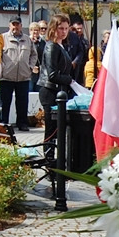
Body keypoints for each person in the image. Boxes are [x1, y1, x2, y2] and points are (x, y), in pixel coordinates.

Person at [36, 13, 75, 164]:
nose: (64, 32)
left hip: (58, 90)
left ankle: (53, 159)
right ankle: (49, 159)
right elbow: (52, 74)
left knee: (57, 129)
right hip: (50, 91)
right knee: (52, 129)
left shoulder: (60, 45)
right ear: (53, 28)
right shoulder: (51, 46)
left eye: (66, 29)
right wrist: (70, 80)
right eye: (61, 28)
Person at [0, 16, 37, 130]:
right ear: (9, 25)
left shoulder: (27, 39)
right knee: (5, 103)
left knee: (22, 103)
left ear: (21, 26)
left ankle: (22, 123)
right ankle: (3, 124)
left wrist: (30, 67)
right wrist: (2, 68)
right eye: (13, 24)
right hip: (7, 77)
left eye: (17, 24)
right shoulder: (2, 38)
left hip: (23, 76)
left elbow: (34, 54)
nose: (15, 27)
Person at [29, 21, 45, 91]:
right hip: (30, 71)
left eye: (37, 30)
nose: (35, 32)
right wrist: (32, 67)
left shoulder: (43, 42)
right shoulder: (27, 41)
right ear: (30, 31)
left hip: (40, 71)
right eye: (33, 30)